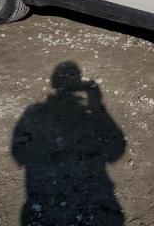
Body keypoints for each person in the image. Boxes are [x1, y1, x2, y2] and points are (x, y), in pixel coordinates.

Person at [12, 62, 125, 226]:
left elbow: (19, 155)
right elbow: (116, 151)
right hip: (91, 197)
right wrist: (97, 106)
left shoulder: (34, 112)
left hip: (45, 198)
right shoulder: (37, 112)